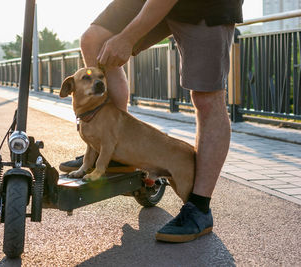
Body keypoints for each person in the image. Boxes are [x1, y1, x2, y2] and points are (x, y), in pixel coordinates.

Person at [60, 0, 243, 242]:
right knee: (94, 41)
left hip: (206, 5)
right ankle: (112, 149)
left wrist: (127, 37)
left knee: (206, 97)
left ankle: (198, 208)